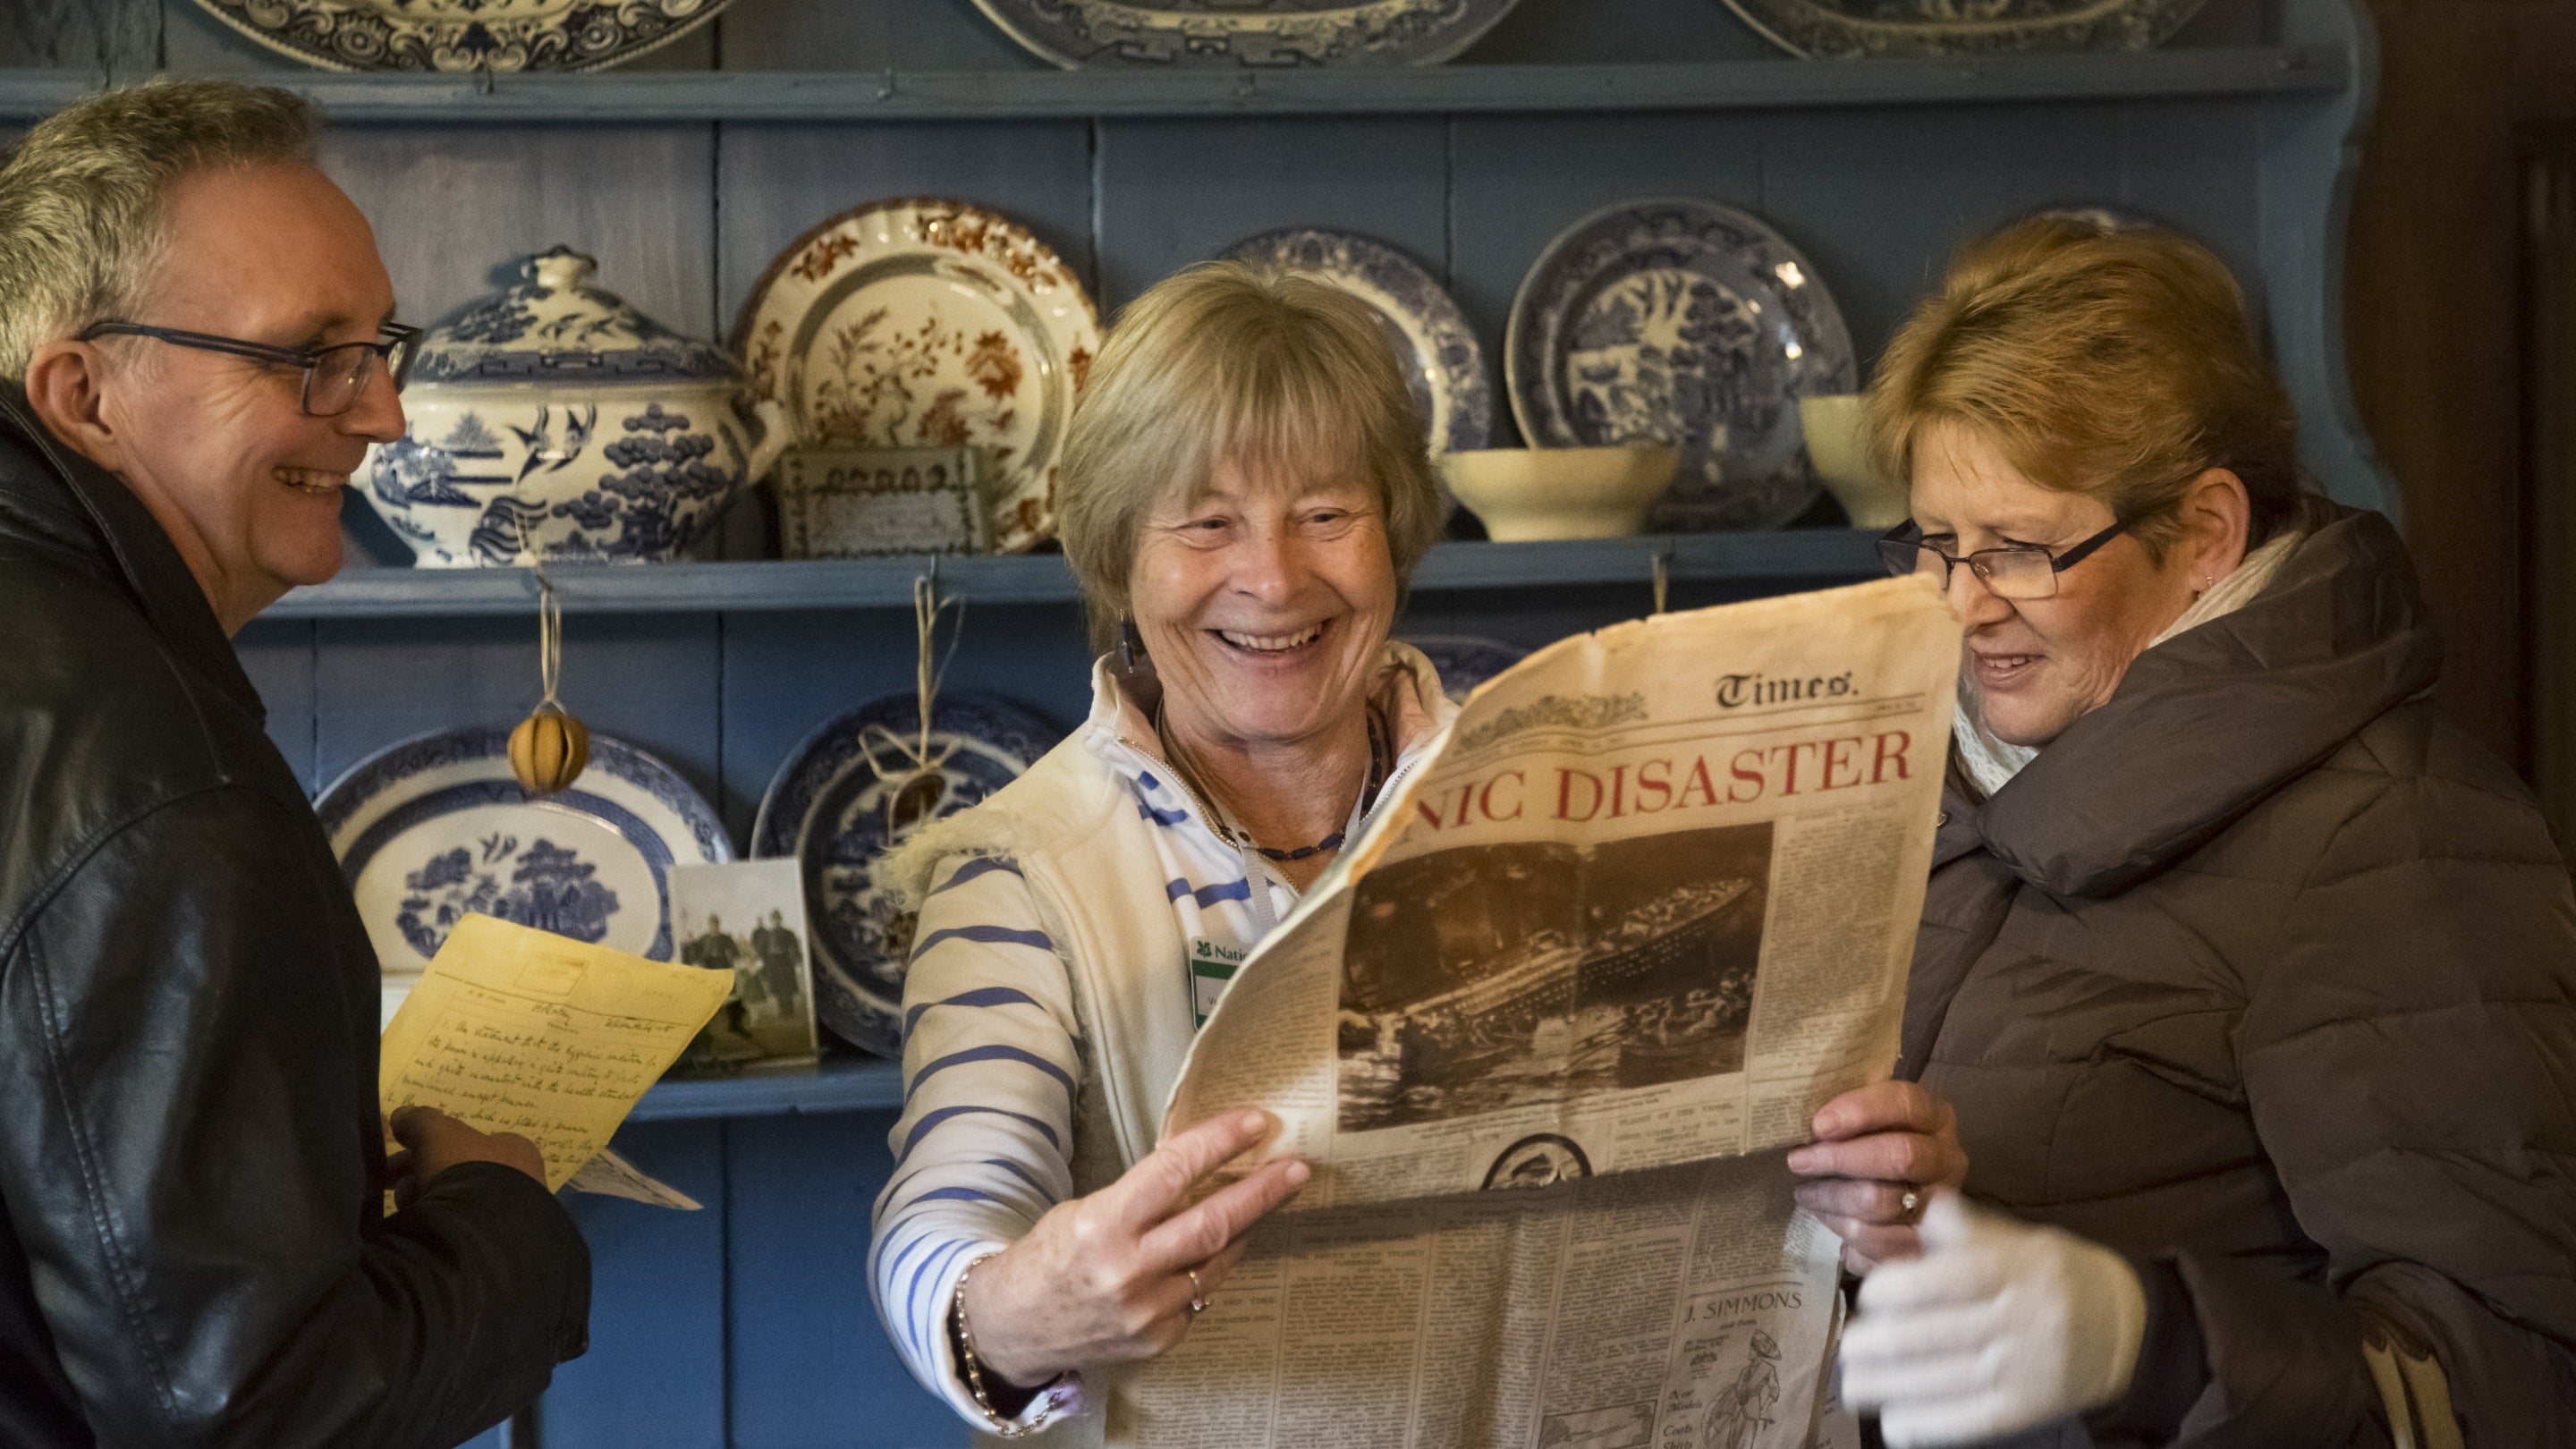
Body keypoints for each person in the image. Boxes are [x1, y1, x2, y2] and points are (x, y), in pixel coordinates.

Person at [867, 262, 1955, 1440]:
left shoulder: (1574, 788)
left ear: (1396, 532)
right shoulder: (1019, 873)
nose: (1275, 579)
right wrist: (1019, 1314)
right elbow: (946, 1211)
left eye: (1327, 513)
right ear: (1119, 558)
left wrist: (1879, 1205)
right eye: (1207, 522)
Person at [1820, 216, 2576, 1446]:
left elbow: (2516, 1389)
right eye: (1937, 547)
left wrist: (2141, 1341)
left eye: (2019, 550)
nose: (1961, 607)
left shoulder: (2399, 841)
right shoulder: (1972, 769)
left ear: (2208, 534)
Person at [0, 81, 589, 1446]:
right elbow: (260, 1413)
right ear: (82, 391)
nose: (383, 414)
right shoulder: (154, 779)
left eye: (382, 347)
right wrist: (503, 1215)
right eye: (310, 355)